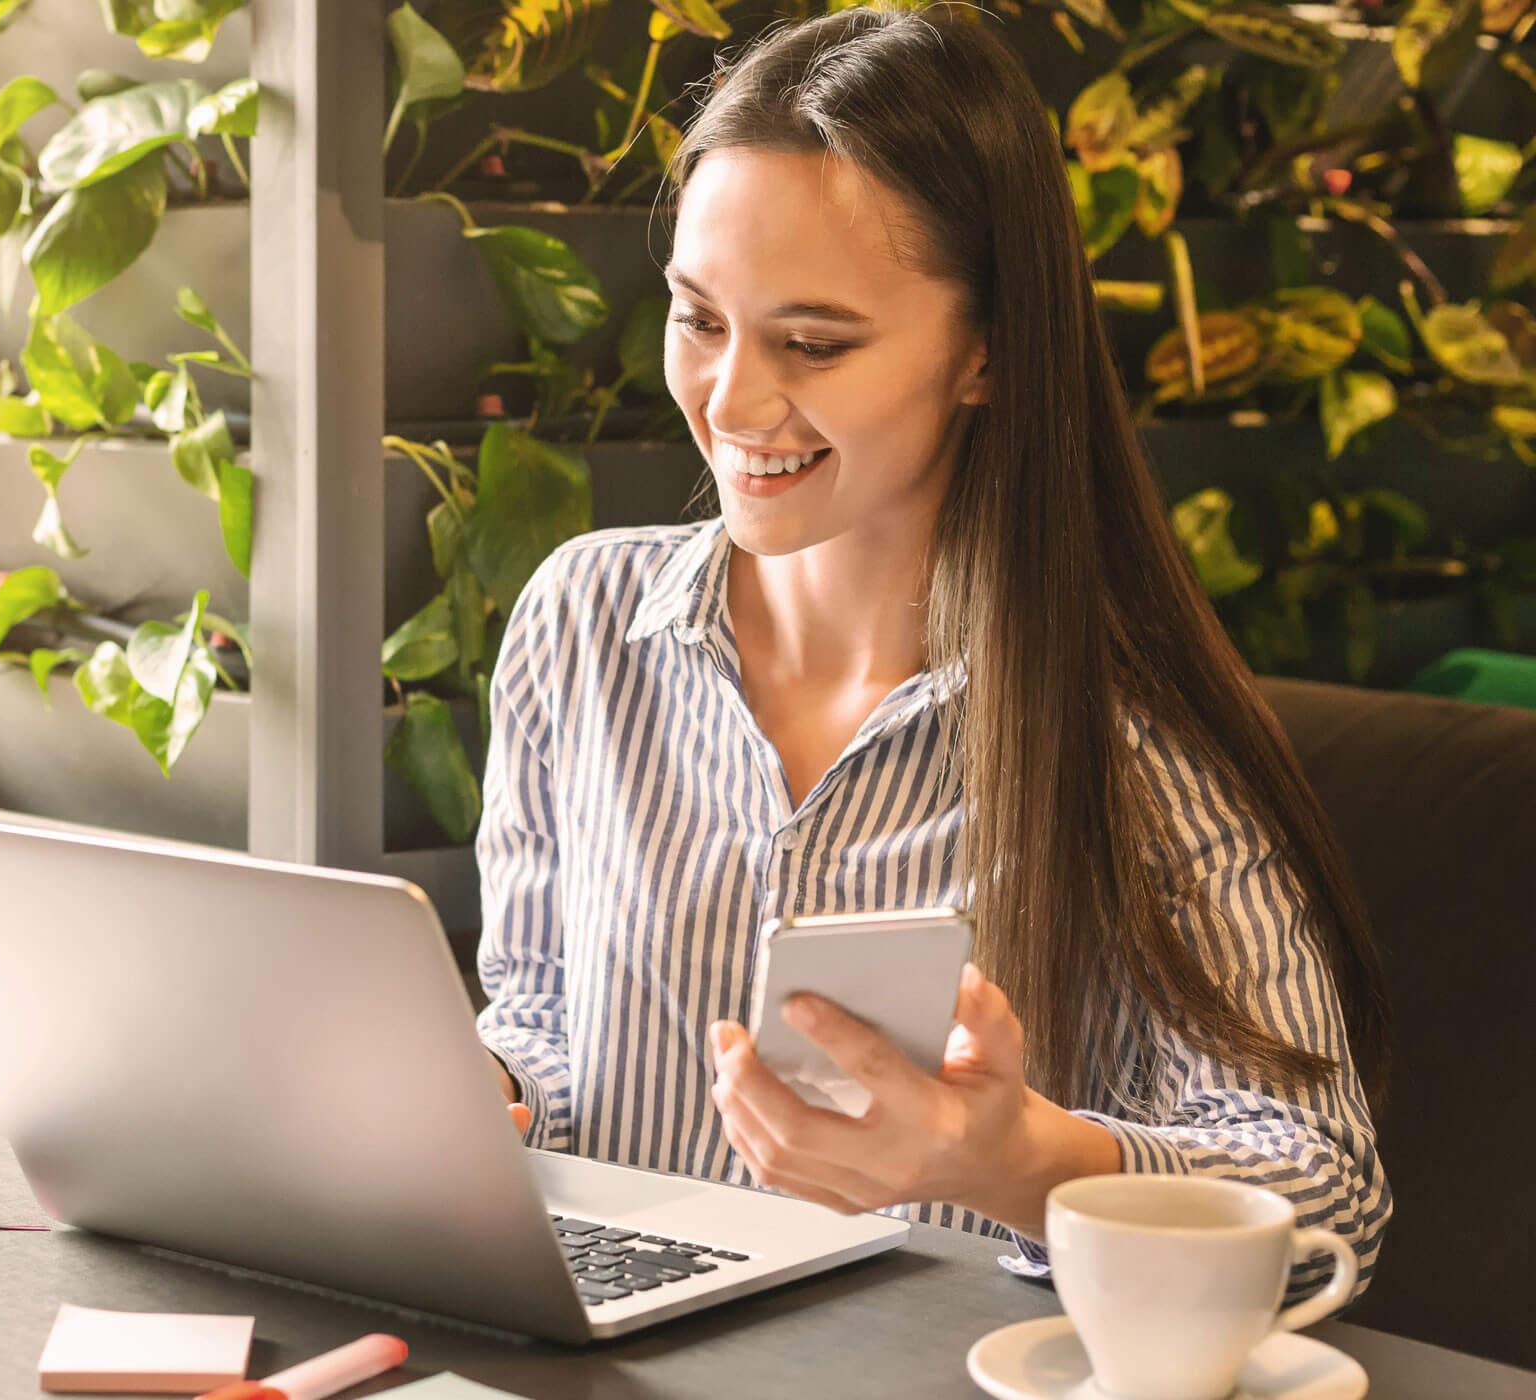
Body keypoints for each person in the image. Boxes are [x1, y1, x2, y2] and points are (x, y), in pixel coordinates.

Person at [473, 1, 1391, 1300]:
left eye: (813, 342)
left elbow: (1326, 1206)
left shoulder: (1125, 743)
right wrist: (482, 1090)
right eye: (697, 318)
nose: (730, 400)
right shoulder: (579, 626)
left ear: (987, 354)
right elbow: (542, 1020)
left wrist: (1009, 1160)